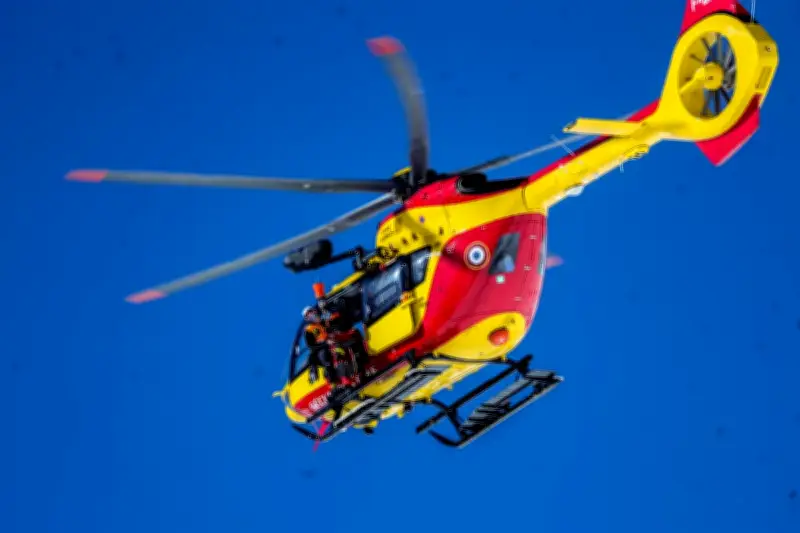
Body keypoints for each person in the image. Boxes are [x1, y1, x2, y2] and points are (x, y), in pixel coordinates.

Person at [302, 306, 333, 384]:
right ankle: (332, 379)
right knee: (323, 355)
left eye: (312, 311)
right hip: (323, 349)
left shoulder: (322, 323)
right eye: (308, 314)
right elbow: (311, 346)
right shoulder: (309, 330)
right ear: (306, 318)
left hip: (333, 343)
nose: (312, 314)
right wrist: (325, 344)